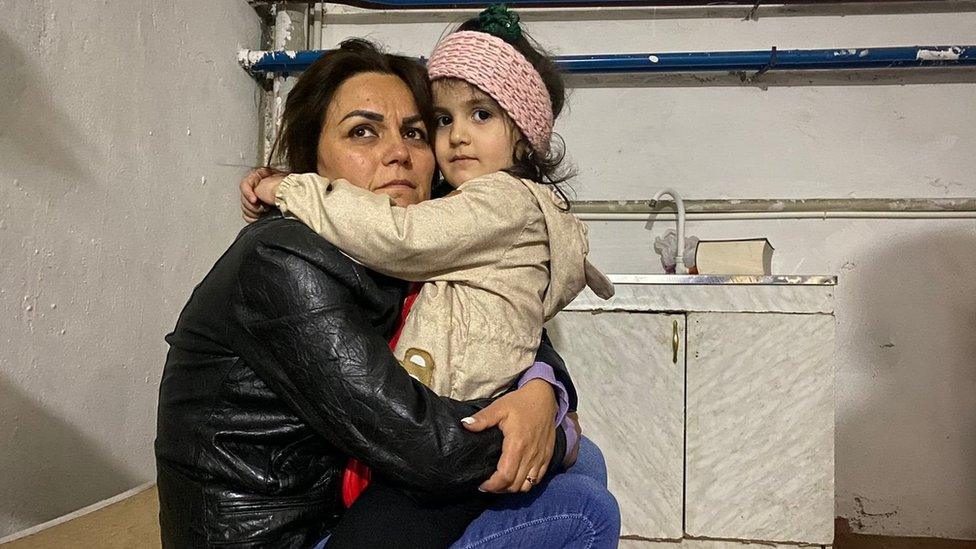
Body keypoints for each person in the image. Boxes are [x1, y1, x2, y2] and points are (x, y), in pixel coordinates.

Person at [158, 38, 619, 548]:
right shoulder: (284, 262)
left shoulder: (409, 241)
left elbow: (512, 318)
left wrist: (541, 391)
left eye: (416, 133)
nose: (398, 153)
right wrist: (556, 438)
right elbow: (429, 451)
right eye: (362, 132)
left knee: (587, 463)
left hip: (349, 501)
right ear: (312, 162)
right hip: (283, 537)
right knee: (586, 511)